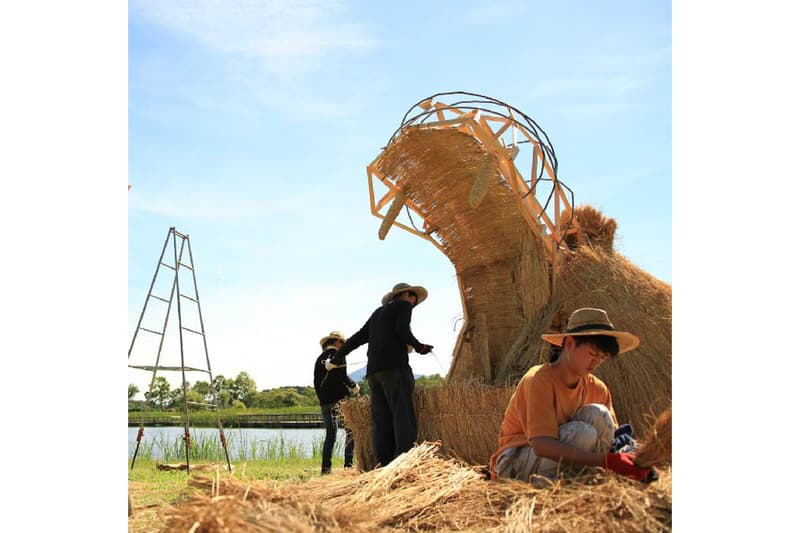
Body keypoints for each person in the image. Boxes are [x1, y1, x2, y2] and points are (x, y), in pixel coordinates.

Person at [489, 307, 656, 483]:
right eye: (592, 354)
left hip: (563, 461)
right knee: (582, 433)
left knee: (599, 414)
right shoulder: (540, 379)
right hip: (516, 464)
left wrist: (635, 460)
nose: (596, 362)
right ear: (569, 344)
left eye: (602, 357)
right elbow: (541, 445)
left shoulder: (597, 389)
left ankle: (579, 480)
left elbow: (615, 437)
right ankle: (548, 486)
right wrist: (606, 462)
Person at [332, 282, 433, 467]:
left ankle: (385, 463)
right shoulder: (404, 306)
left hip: (373, 374)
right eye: (414, 300)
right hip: (395, 369)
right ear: (408, 295)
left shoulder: (378, 313)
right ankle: (403, 463)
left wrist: (338, 357)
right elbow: (402, 330)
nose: (413, 304)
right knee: (402, 415)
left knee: (382, 419)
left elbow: (357, 338)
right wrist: (420, 347)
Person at [313, 331, 359, 474]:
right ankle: (348, 466)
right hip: (340, 401)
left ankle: (326, 469)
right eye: (343, 343)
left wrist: (322, 399)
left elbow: (316, 382)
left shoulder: (318, 359)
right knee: (350, 431)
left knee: (330, 436)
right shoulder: (340, 355)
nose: (343, 345)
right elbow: (342, 376)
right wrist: (354, 386)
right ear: (337, 342)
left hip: (325, 402)